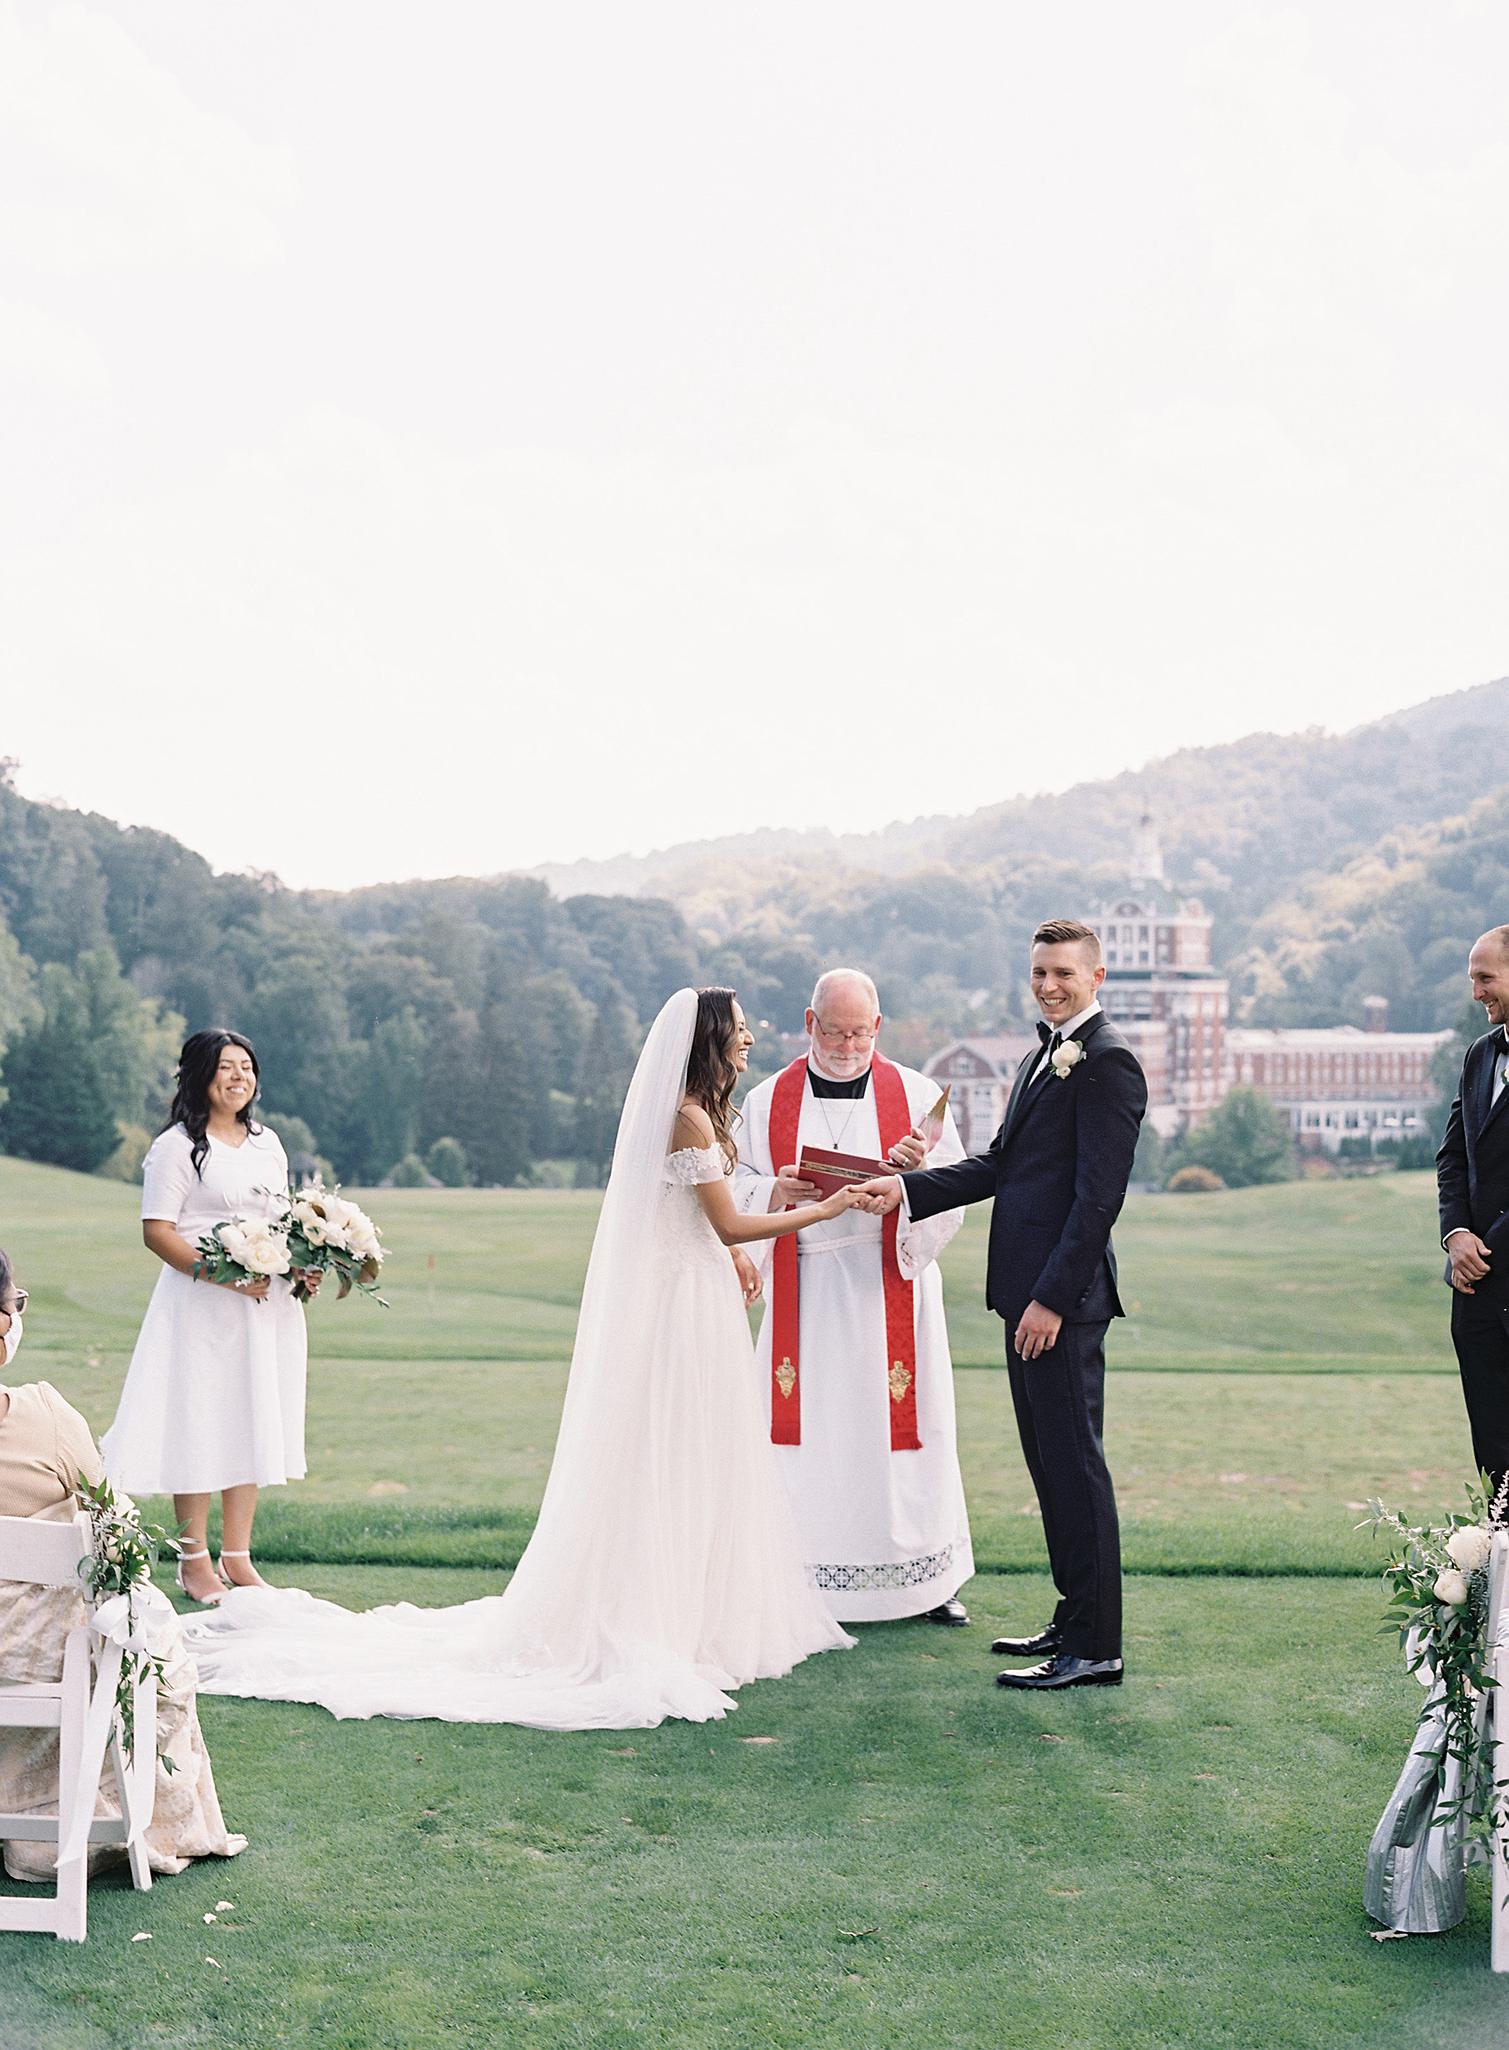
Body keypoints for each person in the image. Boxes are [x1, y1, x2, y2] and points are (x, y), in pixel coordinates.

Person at [180, 988, 858, 1730]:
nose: (750, 1038)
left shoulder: (697, 1111)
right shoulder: (688, 1115)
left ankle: (698, 1609)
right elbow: (726, 1223)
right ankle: (667, 1614)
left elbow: (700, 1219)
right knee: (672, 1447)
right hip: (682, 1309)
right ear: (711, 1038)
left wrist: (745, 1243)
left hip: (697, 1293)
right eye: (740, 1029)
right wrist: (820, 1212)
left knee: (698, 1449)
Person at [856, 920, 1147, 1690]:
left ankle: (1096, 1645)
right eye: (1038, 972)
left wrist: (1050, 1299)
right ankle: (1072, 1615)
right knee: (1048, 1463)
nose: (1048, 985)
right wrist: (905, 1190)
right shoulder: (1040, 1056)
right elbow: (1000, 1166)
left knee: (1076, 1465)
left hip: (1061, 1304)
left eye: (1062, 973)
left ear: (1097, 975)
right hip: (1021, 1296)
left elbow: (1096, 1202)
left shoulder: (1107, 1062)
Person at [733, 968, 975, 1625]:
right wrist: (774, 1190)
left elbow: (954, 1189)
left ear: (878, 1027)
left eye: (859, 1032)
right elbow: (737, 1188)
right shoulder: (766, 1103)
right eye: (833, 1031)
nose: (846, 1045)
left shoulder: (917, 1095)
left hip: (886, 1280)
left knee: (901, 1439)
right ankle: (796, 1582)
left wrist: (912, 1184)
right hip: (804, 1289)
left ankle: (921, 1585)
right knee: (807, 1441)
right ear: (809, 1025)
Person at [0, 1247, 247, 1883]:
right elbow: (114, 1525)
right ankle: (135, 1819)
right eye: (15, 1304)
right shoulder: (44, 1417)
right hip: (35, 1658)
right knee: (139, 1629)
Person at [102, 1030, 320, 1603]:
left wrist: (300, 1268)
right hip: (200, 1308)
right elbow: (157, 1232)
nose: (239, 1077)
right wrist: (223, 1276)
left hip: (264, 1309)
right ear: (201, 1075)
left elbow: (282, 1223)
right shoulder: (177, 1147)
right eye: (226, 1067)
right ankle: (193, 1560)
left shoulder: (269, 1145)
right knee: (199, 1420)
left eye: (247, 1067)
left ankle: (239, 1557)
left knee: (250, 1416)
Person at [1437, 924, 1509, 1508]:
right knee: (1494, 1456)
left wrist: (1487, 1250)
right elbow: (1452, 1156)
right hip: (1477, 1297)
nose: (1477, 992)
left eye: (1486, 978)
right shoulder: (1479, 1055)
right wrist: (1456, 1235)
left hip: (1495, 1269)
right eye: (1473, 980)